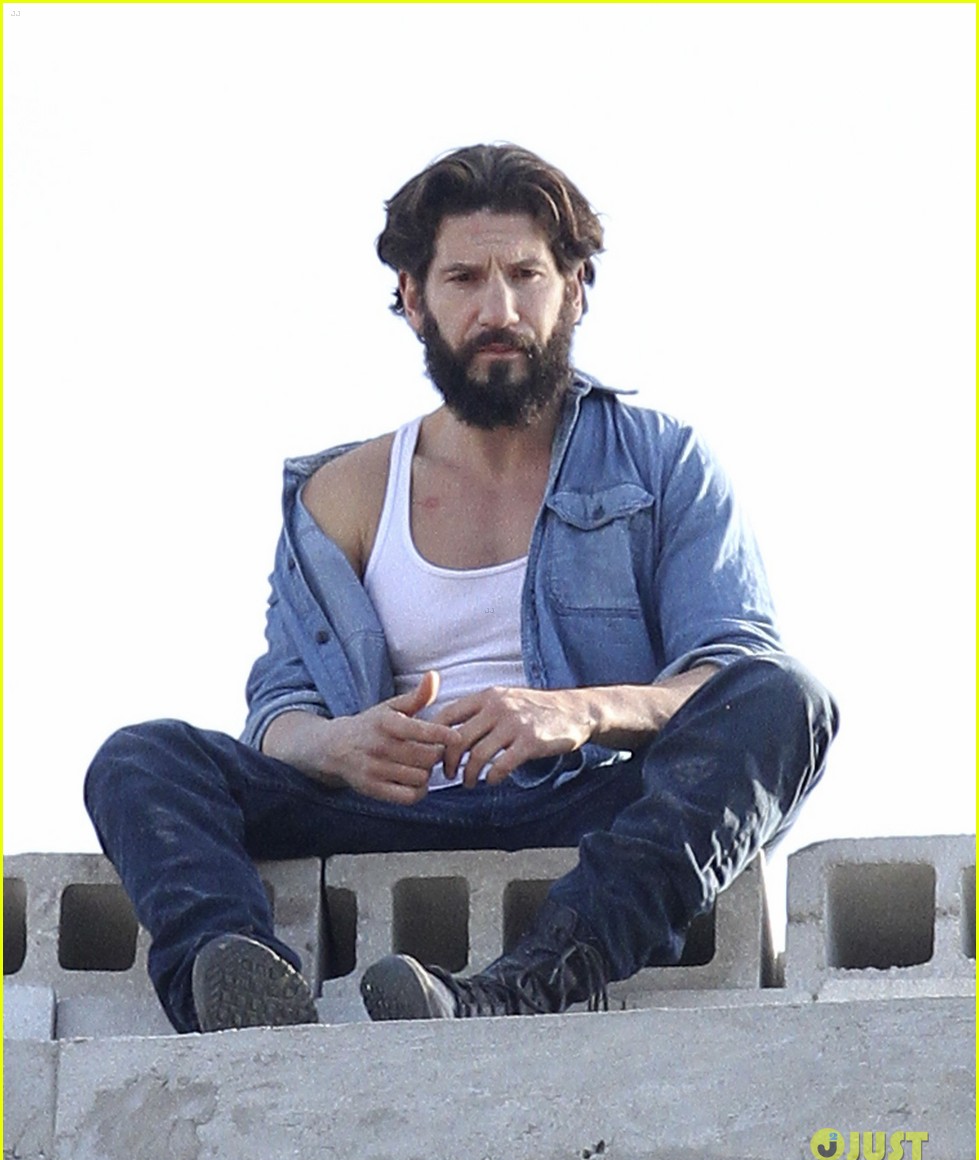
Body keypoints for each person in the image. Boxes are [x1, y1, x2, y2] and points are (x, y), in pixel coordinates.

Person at [84, 143, 838, 1034]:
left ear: (575, 289)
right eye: (463, 279)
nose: (498, 310)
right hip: (384, 813)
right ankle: (240, 991)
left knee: (786, 700)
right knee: (140, 760)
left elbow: (729, 671)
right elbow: (278, 710)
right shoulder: (342, 494)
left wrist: (578, 713)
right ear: (412, 298)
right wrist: (337, 744)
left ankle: (520, 985)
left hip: (589, 812)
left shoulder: (661, 460)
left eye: (525, 275)